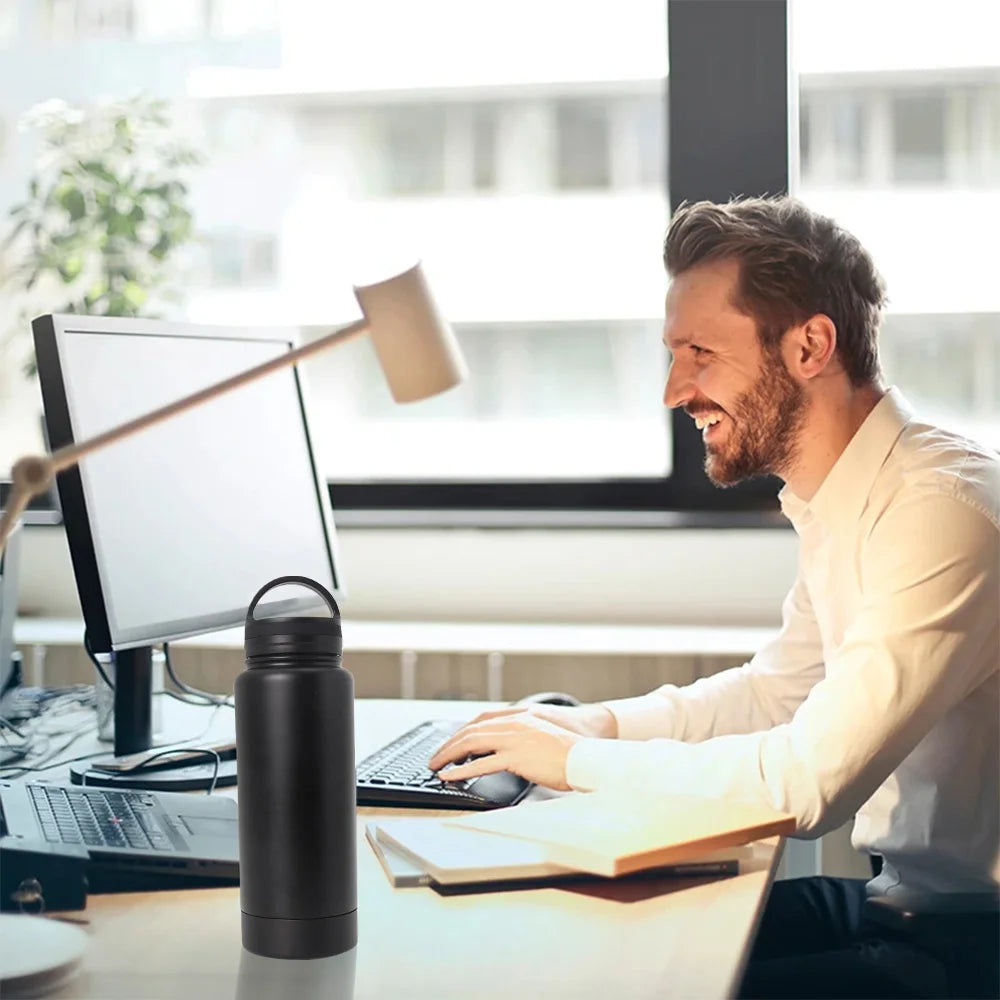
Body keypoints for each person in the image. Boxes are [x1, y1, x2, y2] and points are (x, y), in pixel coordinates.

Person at [428, 196, 1000, 999]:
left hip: (971, 946)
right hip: (898, 905)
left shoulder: (940, 511)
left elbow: (808, 783)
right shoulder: (847, 499)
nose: (674, 391)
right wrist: (596, 725)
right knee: (585, 940)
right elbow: (774, 695)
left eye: (700, 353)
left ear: (810, 346)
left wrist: (574, 762)